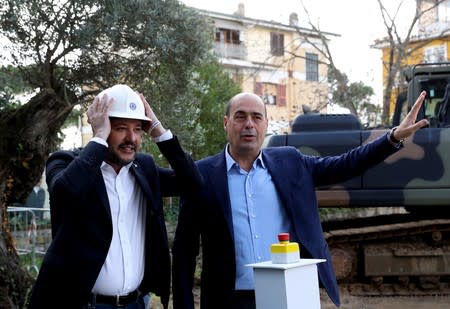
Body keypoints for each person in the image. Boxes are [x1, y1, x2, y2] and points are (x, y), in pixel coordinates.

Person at [172, 91, 429, 309]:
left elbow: (345, 165)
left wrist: (392, 138)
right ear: (226, 123)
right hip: (228, 299)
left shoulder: (290, 162)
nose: (249, 124)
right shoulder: (202, 175)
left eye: (256, 117)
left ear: (266, 124)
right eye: (240, 117)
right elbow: (184, 253)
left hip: (288, 295)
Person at [28, 84, 202, 309]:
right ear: (104, 125)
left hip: (136, 303)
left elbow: (194, 184)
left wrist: (158, 129)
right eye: (121, 128)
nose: (131, 138)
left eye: (138, 129)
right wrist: (99, 136)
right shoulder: (65, 163)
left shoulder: (144, 169)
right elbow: (64, 194)